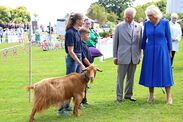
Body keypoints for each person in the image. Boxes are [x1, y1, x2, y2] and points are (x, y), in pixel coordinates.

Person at [139, 5, 173, 104]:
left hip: (162, 50)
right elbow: (144, 38)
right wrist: (142, 50)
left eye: (151, 16)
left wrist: (170, 50)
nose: (150, 17)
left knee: (165, 72)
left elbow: (168, 37)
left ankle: (169, 97)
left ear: (156, 15)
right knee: (150, 72)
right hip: (149, 51)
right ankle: (151, 95)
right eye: (148, 16)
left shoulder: (165, 23)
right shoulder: (147, 24)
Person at [58, 13, 85, 115]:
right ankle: (61, 110)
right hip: (73, 59)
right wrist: (80, 63)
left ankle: (68, 106)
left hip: (78, 58)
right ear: (78, 21)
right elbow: (70, 51)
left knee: (76, 85)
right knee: (67, 86)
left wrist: (82, 61)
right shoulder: (70, 32)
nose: (83, 21)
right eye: (82, 19)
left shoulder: (77, 31)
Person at [113, 7, 142, 103]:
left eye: (129, 17)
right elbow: (115, 43)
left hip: (134, 56)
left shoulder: (139, 27)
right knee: (120, 78)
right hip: (122, 56)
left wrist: (139, 56)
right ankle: (119, 97)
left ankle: (128, 95)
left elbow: (139, 43)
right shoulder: (119, 27)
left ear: (133, 17)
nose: (127, 18)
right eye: (126, 17)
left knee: (131, 77)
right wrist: (115, 56)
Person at [79, 27, 94, 105]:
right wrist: (90, 65)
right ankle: (81, 101)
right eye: (88, 35)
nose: (89, 36)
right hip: (85, 68)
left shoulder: (85, 44)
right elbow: (83, 57)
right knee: (82, 85)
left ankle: (84, 100)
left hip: (87, 67)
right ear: (82, 35)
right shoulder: (81, 44)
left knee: (85, 85)